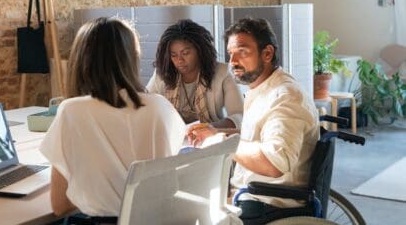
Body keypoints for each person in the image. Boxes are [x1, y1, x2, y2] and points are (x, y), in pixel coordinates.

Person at [39, 17, 186, 218]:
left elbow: (60, 205)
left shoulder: (71, 112)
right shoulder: (159, 106)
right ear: (132, 58)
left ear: (81, 59)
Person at [188, 18, 319, 218]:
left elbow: (274, 163)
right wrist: (216, 132)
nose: (233, 62)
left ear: (267, 53)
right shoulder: (263, 89)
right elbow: (256, 134)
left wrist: (219, 142)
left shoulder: (286, 97)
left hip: (268, 203)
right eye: (231, 53)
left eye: (242, 52)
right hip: (251, 194)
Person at [146, 19, 244, 131]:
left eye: (185, 53)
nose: (179, 60)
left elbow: (240, 117)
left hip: (211, 138)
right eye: (174, 55)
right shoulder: (163, 73)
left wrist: (210, 128)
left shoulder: (223, 73)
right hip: (175, 138)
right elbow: (146, 107)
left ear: (200, 50)